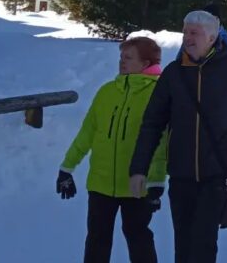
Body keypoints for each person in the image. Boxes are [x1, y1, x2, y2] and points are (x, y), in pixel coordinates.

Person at [129, 11, 227, 263]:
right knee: (183, 245)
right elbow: (152, 123)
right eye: (185, 32)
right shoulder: (173, 73)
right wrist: (138, 168)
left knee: (204, 245)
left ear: (211, 37)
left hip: (216, 174)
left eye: (193, 33)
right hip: (181, 175)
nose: (187, 37)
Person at [58, 36, 166, 263]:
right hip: (100, 183)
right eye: (121, 57)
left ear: (145, 63)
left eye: (128, 58)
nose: (122, 62)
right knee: (97, 239)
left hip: (137, 185)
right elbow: (87, 133)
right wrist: (66, 168)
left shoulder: (158, 95)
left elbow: (161, 143)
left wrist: (155, 183)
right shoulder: (107, 92)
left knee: (138, 238)